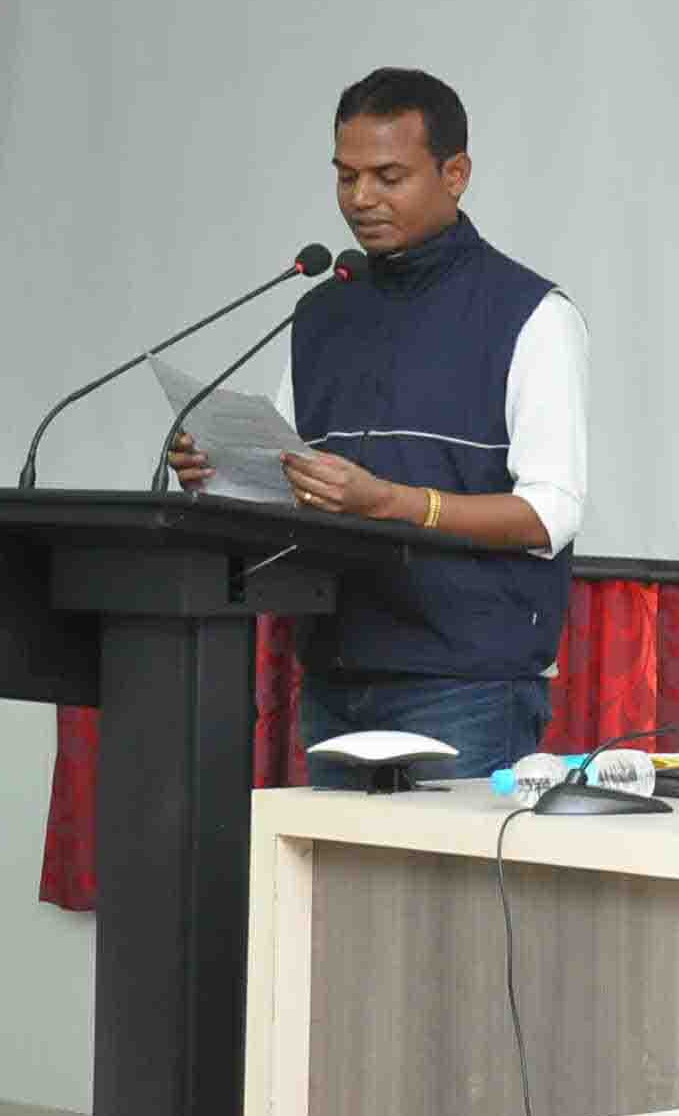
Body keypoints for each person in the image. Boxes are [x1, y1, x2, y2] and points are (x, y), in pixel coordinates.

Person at [168, 67, 588, 785]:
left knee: (442, 868)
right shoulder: (323, 310)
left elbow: (551, 514)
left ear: (455, 174)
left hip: (467, 684)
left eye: (388, 177)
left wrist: (392, 502)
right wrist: (222, 472)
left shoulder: (530, 314)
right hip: (336, 669)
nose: (361, 199)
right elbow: (295, 481)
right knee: (330, 867)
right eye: (346, 177)